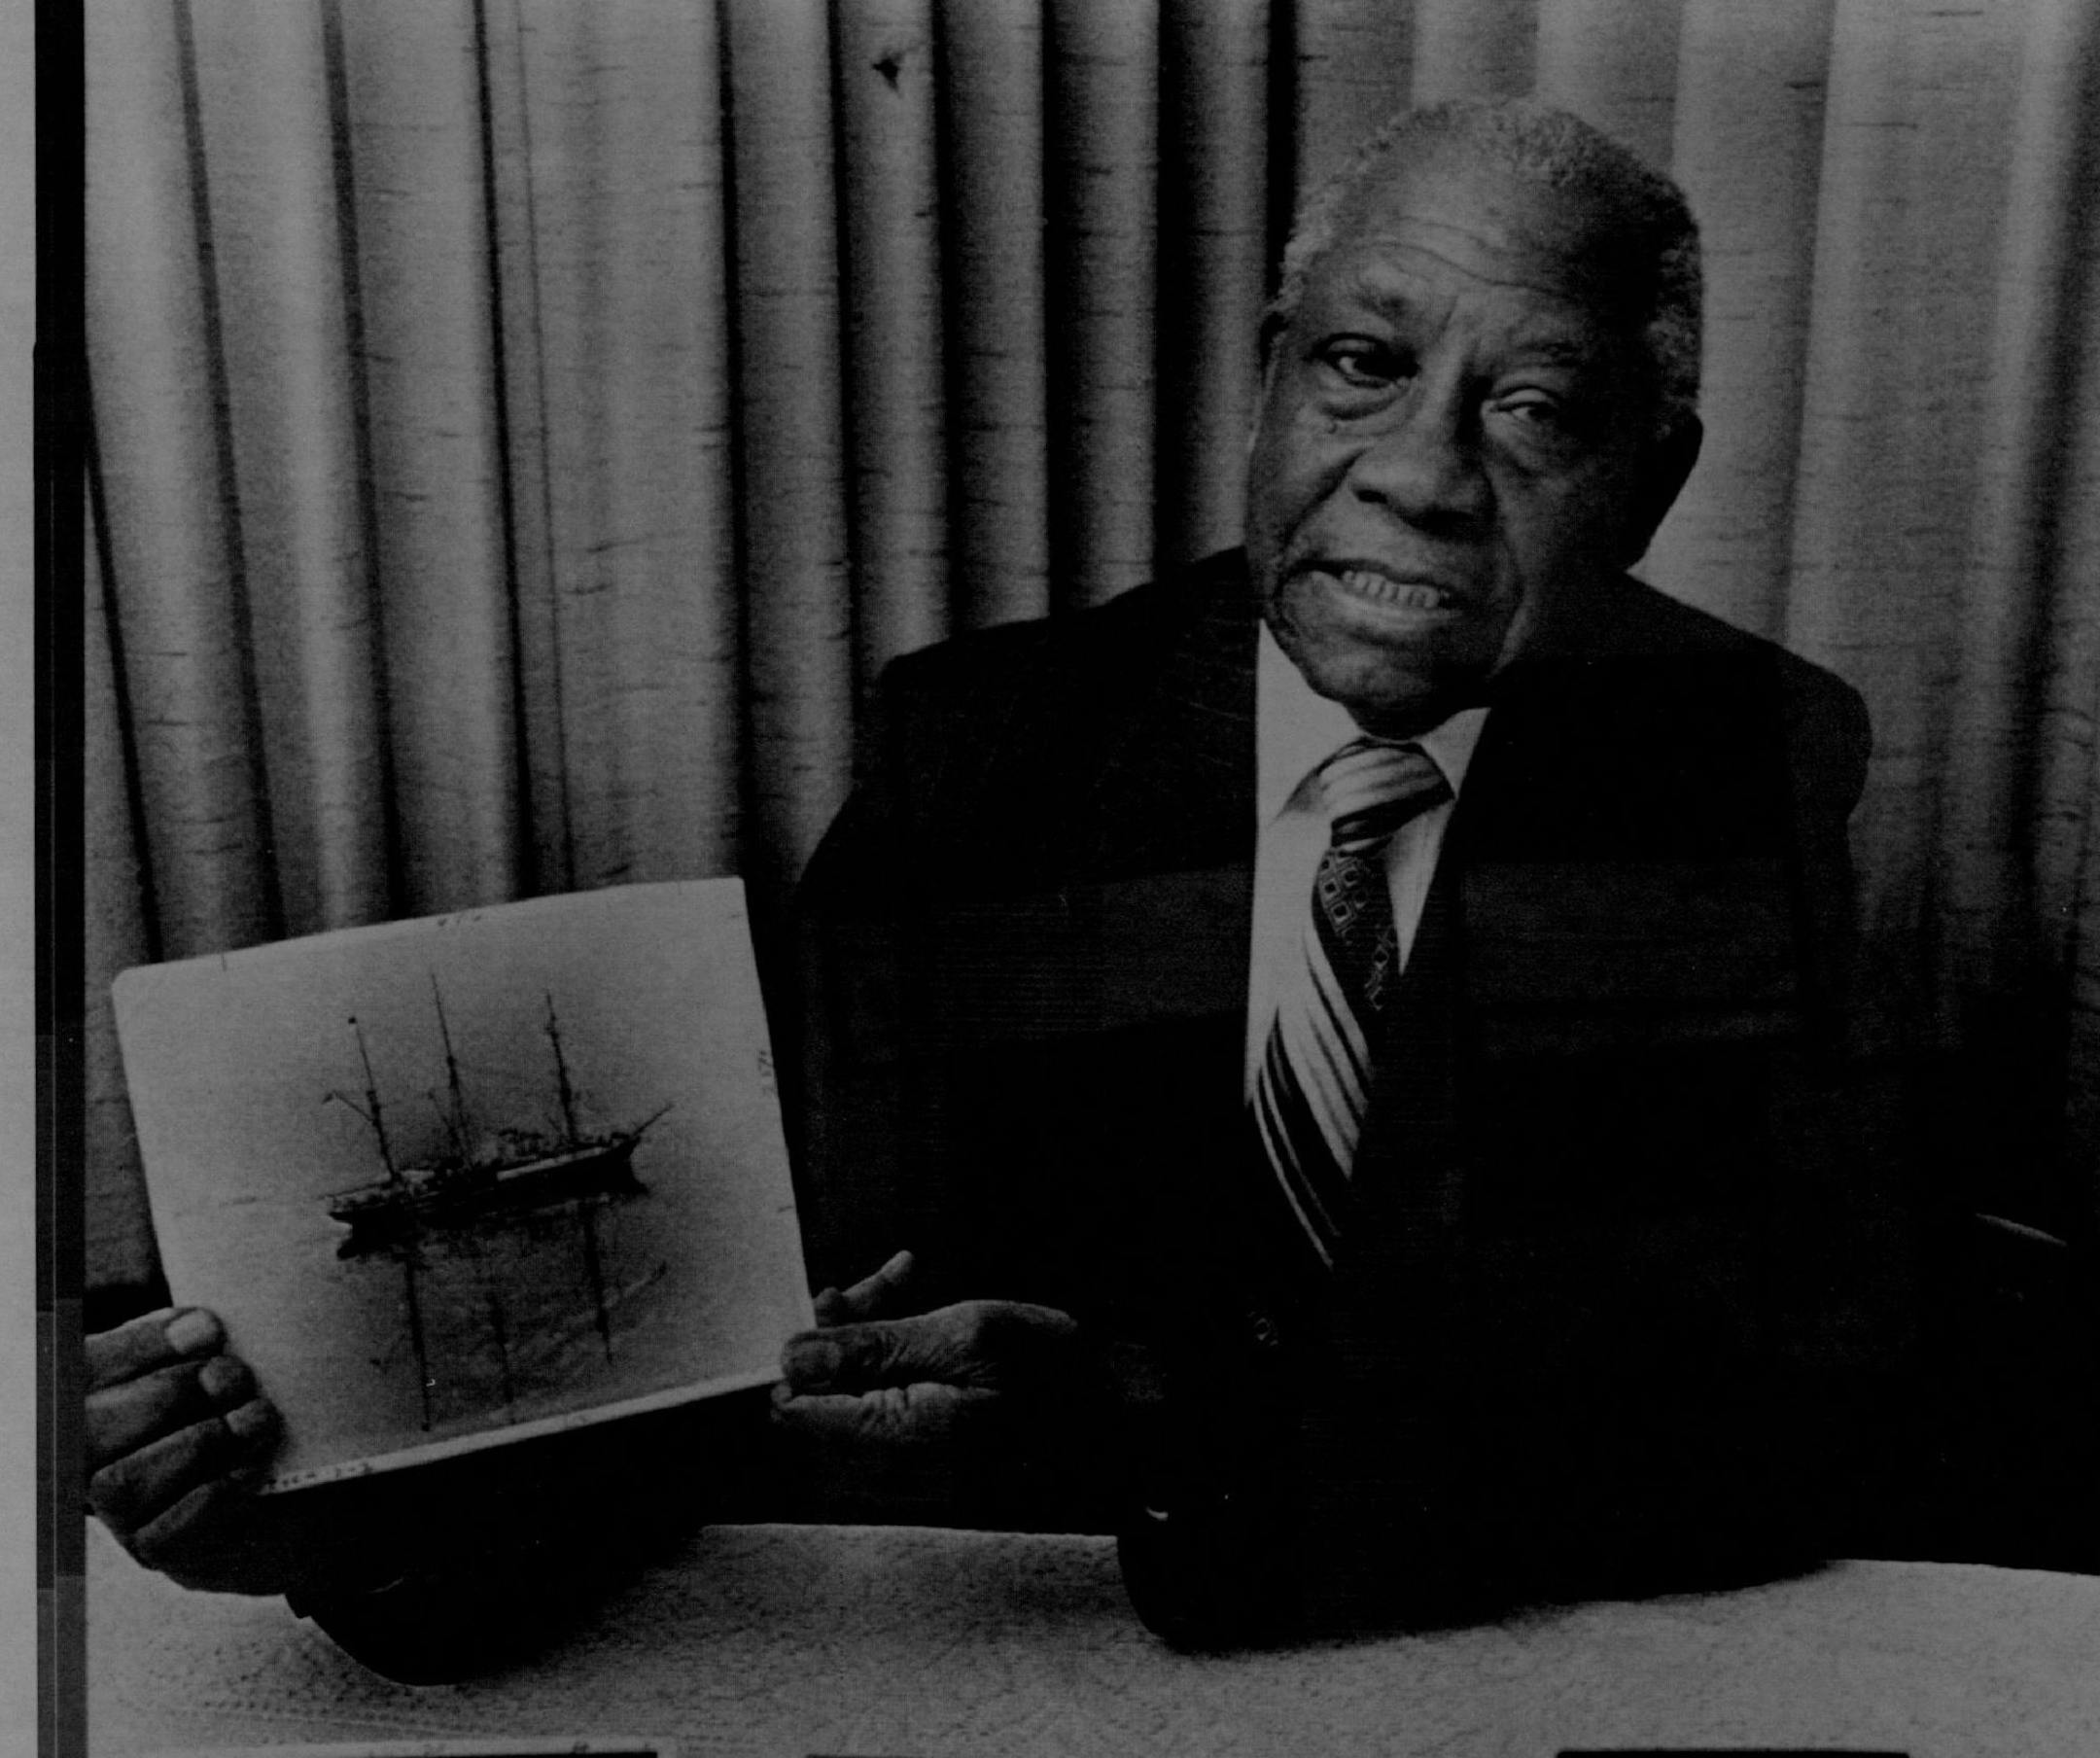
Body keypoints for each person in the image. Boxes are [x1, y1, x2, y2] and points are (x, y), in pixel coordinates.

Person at [84, 99, 2084, 1666]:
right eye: (1363, 365)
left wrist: (1166, 1428)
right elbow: (721, 1328)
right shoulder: (995, 753)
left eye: (1536, 406)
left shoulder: (1734, 758)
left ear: (1655, 473)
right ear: (1268, 378)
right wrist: (341, 1522)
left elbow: (1778, 1406)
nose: (1417, 469)